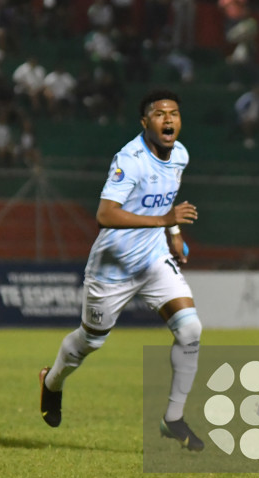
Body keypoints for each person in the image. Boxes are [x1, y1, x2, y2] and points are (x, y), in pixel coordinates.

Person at [39, 89, 205, 452]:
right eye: (159, 114)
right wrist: (164, 220)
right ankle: (51, 382)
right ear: (144, 122)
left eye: (174, 113)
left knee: (190, 328)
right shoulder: (130, 160)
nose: (168, 120)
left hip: (153, 260)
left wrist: (173, 232)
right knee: (91, 341)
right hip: (113, 266)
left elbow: (168, 194)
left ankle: (172, 418)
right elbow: (105, 214)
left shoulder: (180, 155)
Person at [234, 84, 259, 149]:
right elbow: (239, 110)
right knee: (247, 121)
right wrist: (247, 117)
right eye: (257, 89)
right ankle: (249, 140)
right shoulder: (245, 99)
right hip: (245, 119)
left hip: (258, 119)